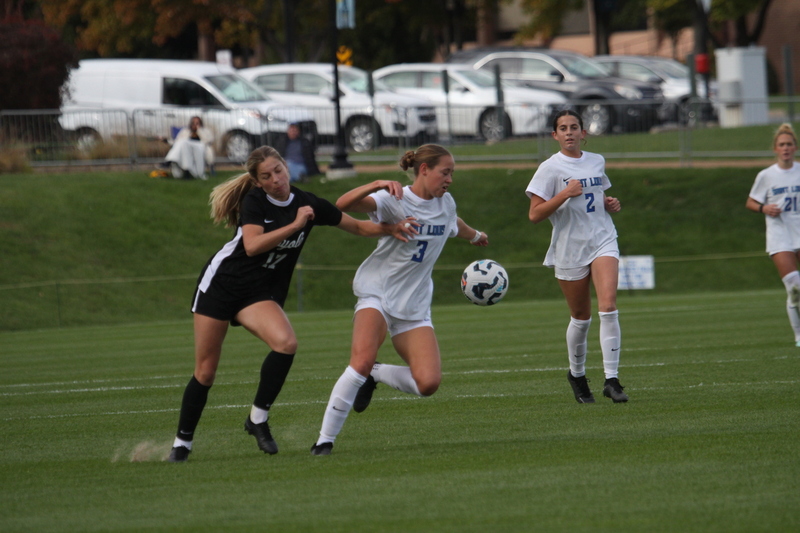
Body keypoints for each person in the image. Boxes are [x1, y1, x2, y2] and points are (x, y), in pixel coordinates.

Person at [167, 146, 416, 462]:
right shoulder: (256, 202)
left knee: (286, 343)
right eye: (266, 176)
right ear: (258, 182)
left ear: (286, 168)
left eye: (278, 171)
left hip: (256, 292)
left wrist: (390, 228)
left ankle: (257, 418)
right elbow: (253, 245)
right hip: (221, 286)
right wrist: (296, 225)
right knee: (205, 372)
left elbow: (354, 225)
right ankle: (182, 444)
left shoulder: (307, 202)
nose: (275, 180)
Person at [310, 144, 489, 456]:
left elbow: (453, 224)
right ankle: (324, 440)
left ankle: (375, 373)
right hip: (377, 291)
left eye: (452, 173)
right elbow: (343, 204)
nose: (449, 179)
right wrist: (377, 183)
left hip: (414, 304)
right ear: (424, 170)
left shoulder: (445, 203)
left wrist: (474, 235)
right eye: (445, 172)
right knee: (359, 360)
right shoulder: (395, 199)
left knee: (428, 383)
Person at [525, 109, 628, 405]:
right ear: (554, 135)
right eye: (563, 128)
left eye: (574, 127)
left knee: (608, 306)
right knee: (581, 318)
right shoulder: (550, 168)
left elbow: (597, 196)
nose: (569, 132)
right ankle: (577, 375)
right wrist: (564, 194)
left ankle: (612, 379)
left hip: (602, 238)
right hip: (570, 246)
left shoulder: (596, 161)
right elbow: (534, 214)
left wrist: (609, 203)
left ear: (584, 132)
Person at [746, 123, 800, 346]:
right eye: (781, 144)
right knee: (795, 287)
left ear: (795, 147)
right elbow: (750, 201)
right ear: (775, 149)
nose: (785, 148)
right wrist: (763, 208)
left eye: (789, 144)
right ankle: (799, 335)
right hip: (780, 237)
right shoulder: (766, 175)